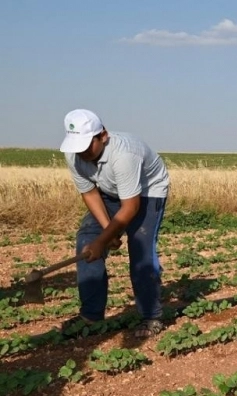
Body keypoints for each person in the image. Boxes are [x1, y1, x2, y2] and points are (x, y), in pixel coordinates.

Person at [59, 109, 170, 338]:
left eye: (87, 145)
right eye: (77, 146)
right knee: (87, 242)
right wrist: (106, 234)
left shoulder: (124, 154)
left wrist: (105, 239)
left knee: (140, 251)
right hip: (109, 192)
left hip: (148, 193)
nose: (81, 152)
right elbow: (89, 193)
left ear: (103, 136)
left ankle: (151, 316)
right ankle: (91, 316)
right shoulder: (74, 154)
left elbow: (131, 207)